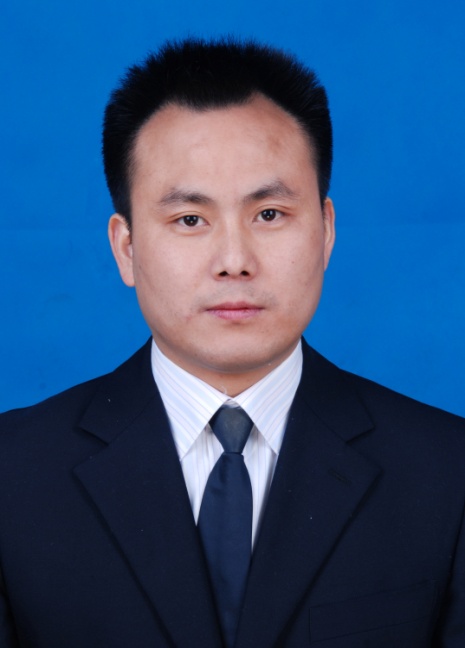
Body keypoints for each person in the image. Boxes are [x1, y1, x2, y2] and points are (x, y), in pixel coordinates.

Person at [0, 38, 464, 648]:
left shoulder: (448, 472)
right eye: (190, 220)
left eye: (269, 214)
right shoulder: (12, 474)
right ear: (126, 248)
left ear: (326, 231)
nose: (234, 260)